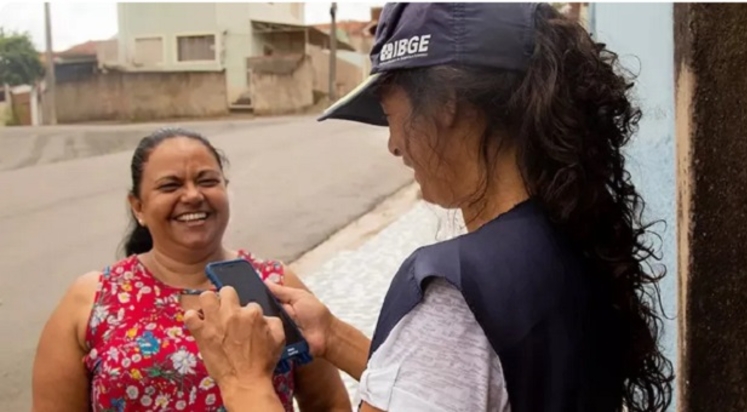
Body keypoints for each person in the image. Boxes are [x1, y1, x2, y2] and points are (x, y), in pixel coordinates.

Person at [187, 2, 675, 412]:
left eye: (392, 117)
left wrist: (245, 380)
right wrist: (332, 335)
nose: (394, 146)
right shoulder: (570, 234)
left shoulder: (454, 291)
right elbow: (454, 387)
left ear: (448, 104)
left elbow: (451, 359)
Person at [31, 127, 352, 412]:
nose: (193, 195)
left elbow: (328, 404)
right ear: (138, 206)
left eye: (207, 181)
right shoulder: (91, 298)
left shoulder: (276, 285)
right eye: (170, 185)